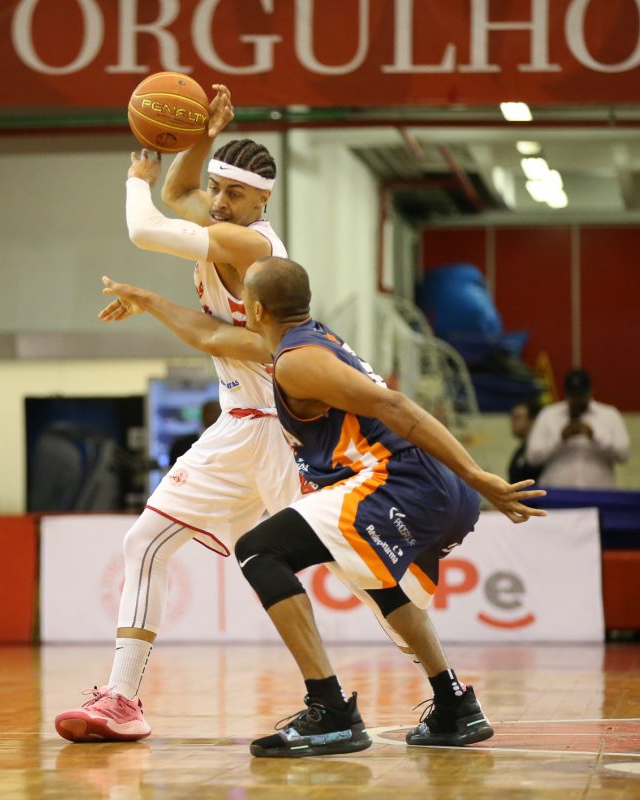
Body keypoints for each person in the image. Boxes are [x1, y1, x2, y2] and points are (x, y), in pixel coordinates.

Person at [97, 257, 546, 758]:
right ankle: (454, 705)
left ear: (255, 310)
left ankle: (331, 710)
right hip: (421, 485)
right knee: (378, 582)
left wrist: (478, 475)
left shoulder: (298, 361)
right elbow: (209, 336)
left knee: (261, 550)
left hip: (402, 481)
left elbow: (396, 406)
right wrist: (148, 300)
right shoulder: (304, 343)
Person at [54, 87, 304, 743]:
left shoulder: (248, 246)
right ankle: (121, 699)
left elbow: (147, 224)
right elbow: (181, 193)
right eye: (217, 188)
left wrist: (135, 176)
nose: (217, 200)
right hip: (242, 423)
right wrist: (202, 136)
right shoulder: (223, 223)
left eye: (233, 193)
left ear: (262, 202)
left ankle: (438, 686)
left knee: (349, 567)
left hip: (277, 426)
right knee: (148, 544)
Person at [525, 368, 630, 488]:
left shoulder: (609, 415)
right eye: (573, 395)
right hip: (556, 493)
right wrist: (560, 439)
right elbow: (532, 458)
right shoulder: (548, 414)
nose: (577, 400)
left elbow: (623, 455)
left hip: (599, 493)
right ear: (566, 393)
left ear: (590, 391)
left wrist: (594, 436)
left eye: (581, 395)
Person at [167, 400, 222, 466]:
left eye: (220, 414)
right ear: (204, 415)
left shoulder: (228, 446)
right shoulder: (180, 446)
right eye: (212, 413)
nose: (216, 417)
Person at [507, 397, 543, 485]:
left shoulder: (540, 452)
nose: (512, 421)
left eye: (517, 417)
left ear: (533, 420)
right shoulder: (521, 450)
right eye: (512, 417)